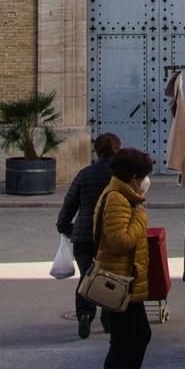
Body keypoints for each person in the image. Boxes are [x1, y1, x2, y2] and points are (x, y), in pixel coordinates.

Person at [93, 146, 156, 369]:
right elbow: (118, 240)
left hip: (127, 281)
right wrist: (141, 218)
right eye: (141, 176)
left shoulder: (124, 195)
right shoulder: (118, 199)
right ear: (133, 177)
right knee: (121, 343)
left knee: (140, 334)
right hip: (117, 283)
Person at [57, 132, 119, 338]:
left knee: (87, 275)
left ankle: (84, 315)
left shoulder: (84, 174)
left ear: (96, 151)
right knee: (110, 275)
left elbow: (70, 203)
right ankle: (109, 318)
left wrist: (64, 226)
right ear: (117, 150)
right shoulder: (119, 176)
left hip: (83, 234)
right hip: (109, 235)